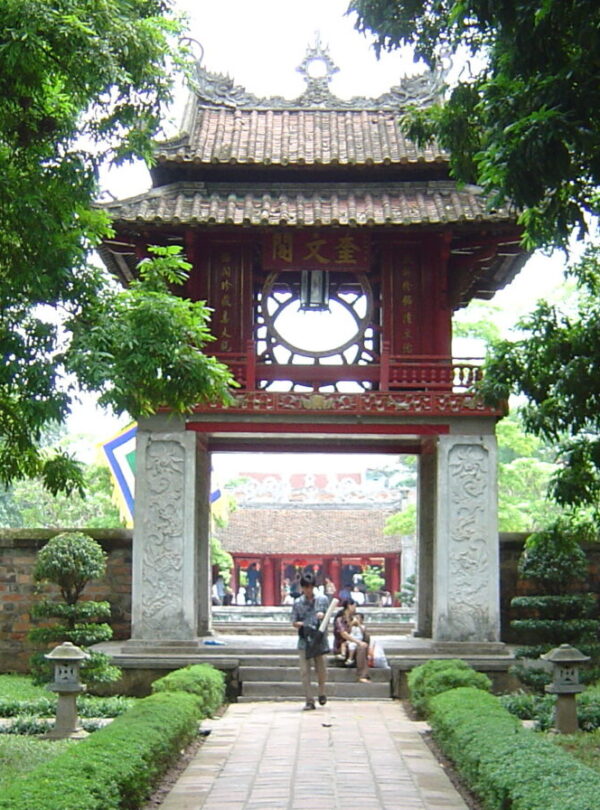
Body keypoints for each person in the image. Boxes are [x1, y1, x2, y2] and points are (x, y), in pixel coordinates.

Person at [291, 570, 330, 711]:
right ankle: (309, 700)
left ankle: (322, 692)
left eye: (310, 587)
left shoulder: (323, 600)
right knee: (304, 671)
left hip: (319, 640)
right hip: (304, 640)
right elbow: (294, 621)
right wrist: (305, 624)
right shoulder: (297, 603)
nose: (308, 590)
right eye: (305, 587)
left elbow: (328, 618)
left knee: (321, 670)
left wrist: (322, 616)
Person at [333, 599, 370, 683]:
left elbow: (362, 632)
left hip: (353, 645)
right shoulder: (340, 619)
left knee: (364, 642)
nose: (355, 608)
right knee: (360, 646)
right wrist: (358, 642)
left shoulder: (354, 618)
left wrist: (359, 625)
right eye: (354, 606)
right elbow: (344, 634)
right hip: (343, 647)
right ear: (349, 606)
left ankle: (363, 674)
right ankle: (361, 675)